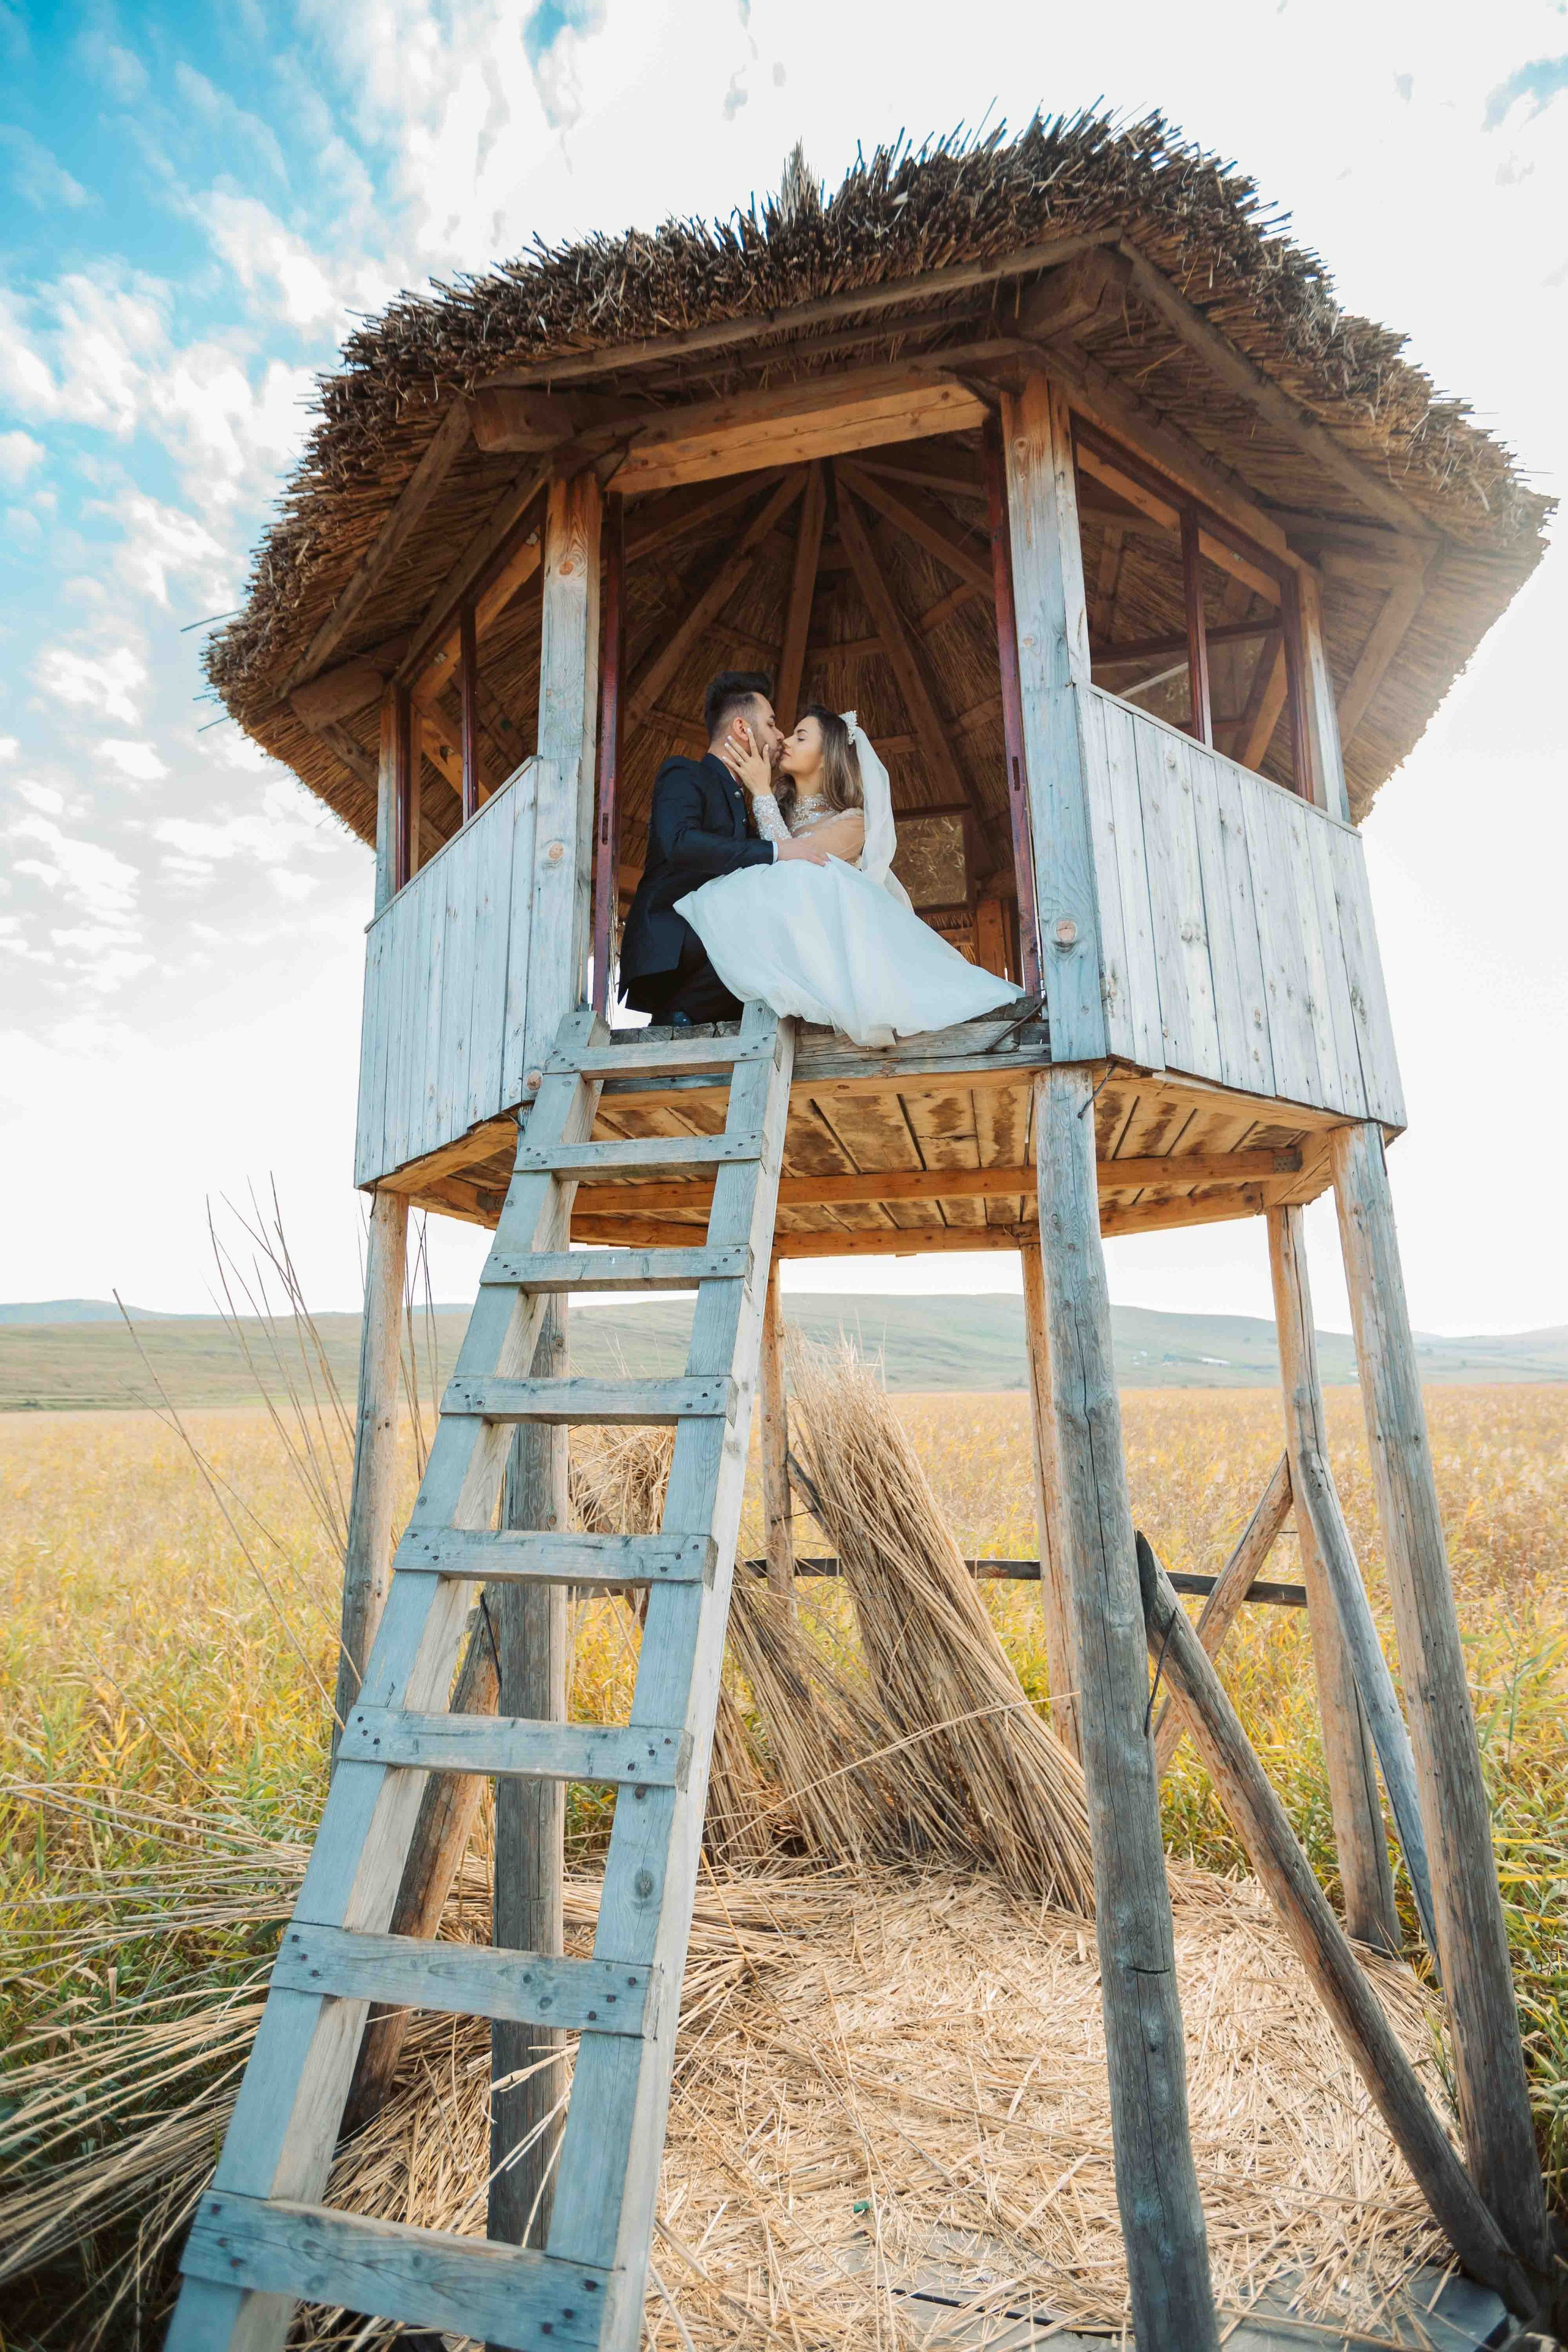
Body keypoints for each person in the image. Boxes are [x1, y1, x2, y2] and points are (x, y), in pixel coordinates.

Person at [674, 703, 1024, 1049]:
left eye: (801, 737)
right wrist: (765, 799)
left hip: (827, 951)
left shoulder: (853, 822)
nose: (787, 742)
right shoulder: (772, 812)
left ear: (826, 757)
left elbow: (795, 867)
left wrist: (762, 793)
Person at [619, 671, 832, 1025]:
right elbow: (680, 842)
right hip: (673, 940)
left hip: (712, 951)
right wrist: (775, 851)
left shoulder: (740, 807)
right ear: (742, 728)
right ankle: (678, 1014)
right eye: (771, 723)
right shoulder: (683, 773)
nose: (780, 735)